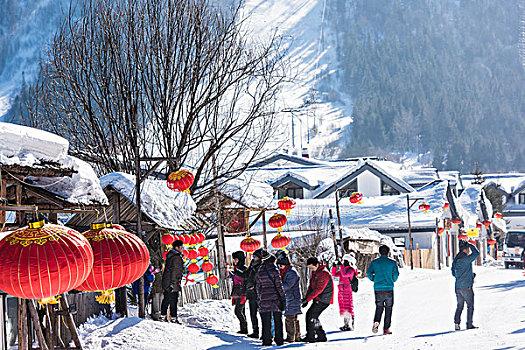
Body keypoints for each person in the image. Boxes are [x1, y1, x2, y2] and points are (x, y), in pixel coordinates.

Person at [366, 245, 399, 335]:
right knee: (388, 308)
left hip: (378, 288)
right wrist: (392, 280)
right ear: (388, 252)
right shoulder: (392, 262)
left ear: (379, 252)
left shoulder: (374, 262)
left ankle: (377, 321)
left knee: (379, 307)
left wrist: (374, 279)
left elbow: (368, 273)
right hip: (389, 288)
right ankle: (386, 329)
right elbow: (396, 274)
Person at [256, 250, 286, 346]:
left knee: (266, 321)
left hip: (264, 298)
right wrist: (282, 297)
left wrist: (260, 297)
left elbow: (258, 286)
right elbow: (279, 285)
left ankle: (266, 340)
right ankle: (279, 340)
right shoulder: (274, 269)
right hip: (275, 298)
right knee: (277, 320)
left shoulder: (260, 270)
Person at [301, 256, 334, 343]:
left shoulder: (324, 273)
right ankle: (320, 336)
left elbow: (319, 289)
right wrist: (306, 298)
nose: (311, 269)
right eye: (309, 268)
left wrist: (307, 299)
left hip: (324, 299)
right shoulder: (315, 272)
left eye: (312, 267)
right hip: (318, 298)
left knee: (311, 315)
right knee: (312, 316)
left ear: (317, 264)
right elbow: (311, 287)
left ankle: (311, 337)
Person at [452, 240, 480, 330]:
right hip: (467, 287)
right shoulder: (466, 259)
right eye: (468, 249)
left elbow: (453, 273)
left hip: (458, 287)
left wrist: (467, 275)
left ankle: (457, 324)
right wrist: (470, 244)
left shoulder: (456, 259)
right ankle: (469, 324)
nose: (469, 251)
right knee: (470, 305)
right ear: (465, 249)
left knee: (459, 306)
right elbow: (476, 253)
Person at [276, 251, 302, 342]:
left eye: (281, 265)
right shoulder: (286, 271)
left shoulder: (291, 273)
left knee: (290, 319)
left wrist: (277, 286)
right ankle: (297, 336)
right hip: (290, 298)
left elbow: (287, 286)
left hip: (292, 298)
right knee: (293, 319)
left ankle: (291, 338)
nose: (279, 267)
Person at [332, 253, 358, 331]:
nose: (344, 262)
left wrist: (340, 266)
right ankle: (346, 324)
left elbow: (344, 274)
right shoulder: (343, 268)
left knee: (348, 306)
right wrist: (334, 266)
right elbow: (334, 274)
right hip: (341, 290)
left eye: (346, 261)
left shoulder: (351, 270)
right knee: (343, 307)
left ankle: (351, 324)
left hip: (347, 289)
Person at [240, 248, 263, 338]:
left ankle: (265, 333)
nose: (253, 258)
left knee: (262, 315)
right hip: (251, 293)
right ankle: (255, 331)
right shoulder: (252, 266)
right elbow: (245, 276)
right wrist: (235, 272)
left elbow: (260, 280)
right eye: (253, 256)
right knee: (253, 314)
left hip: (259, 293)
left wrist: (254, 286)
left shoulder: (261, 267)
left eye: (255, 256)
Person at [160, 239, 184, 323]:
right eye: (181, 247)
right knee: (173, 300)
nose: (182, 249)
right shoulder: (176, 258)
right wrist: (174, 283)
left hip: (167, 281)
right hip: (172, 282)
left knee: (167, 298)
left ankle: (163, 316)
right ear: (176, 247)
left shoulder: (170, 256)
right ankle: (173, 317)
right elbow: (175, 271)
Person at [230, 251, 248, 334]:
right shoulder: (235, 268)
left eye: (236, 259)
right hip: (236, 291)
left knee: (238, 311)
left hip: (242, 292)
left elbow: (245, 281)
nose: (234, 261)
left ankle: (244, 327)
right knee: (241, 311)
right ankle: (243, 329)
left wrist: (244, 294)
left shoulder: (244, 269)